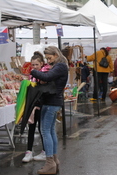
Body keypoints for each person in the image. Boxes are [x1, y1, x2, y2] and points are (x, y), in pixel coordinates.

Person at [30, 46, 68, 175]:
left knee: (45, 131)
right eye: (47, 58)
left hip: (52, 102)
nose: (48, 60)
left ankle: (50, 162)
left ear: (56, 55)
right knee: (50, 131)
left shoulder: (60, 66)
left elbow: (48, 77)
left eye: (49, 57)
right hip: (53, 102)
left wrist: (33, 71)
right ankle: (54, 161)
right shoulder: (60, 66)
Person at [22, 52, 47, 163]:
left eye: (36, 64)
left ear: (41, 64)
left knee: (42, 129)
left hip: (41, 105)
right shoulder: (31, 76)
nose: (34, 67)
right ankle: (28, 151)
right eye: (33, 65)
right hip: (32, 105)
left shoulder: (45, 74)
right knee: (31, 128)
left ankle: (45, 151)